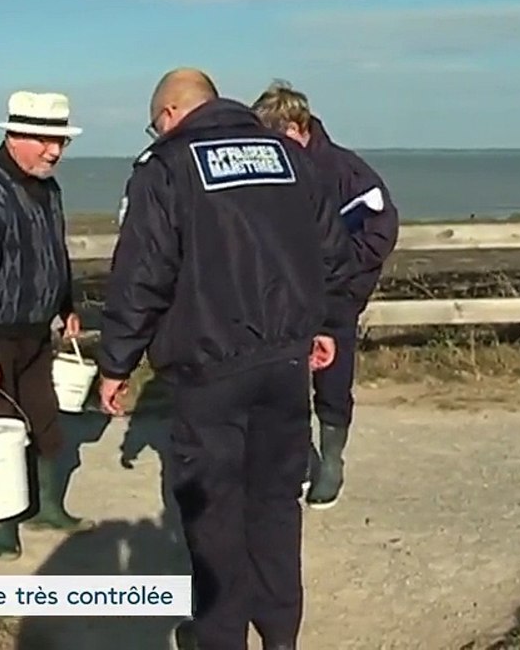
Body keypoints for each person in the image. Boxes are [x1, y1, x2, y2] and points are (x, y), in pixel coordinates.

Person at [95, 68, 358, 650]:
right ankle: (280, 635)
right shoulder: (290, 157)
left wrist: (116, 363)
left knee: (213, 515)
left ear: (169, 115)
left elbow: (142, 276)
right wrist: (326, 325)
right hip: (285, 366)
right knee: (276, 506)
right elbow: (333, 254)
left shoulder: (166, 167)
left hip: (209, 369)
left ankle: (220, 638)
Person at [0, 90, 95, 561]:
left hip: (34, 332)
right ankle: (2, 527)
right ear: (13, 136)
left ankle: (46, 508)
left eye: (61, 142)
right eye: (44, 141)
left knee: (44, 420)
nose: (55, 152)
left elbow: (54, 253)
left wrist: (65, 305)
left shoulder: (48, 189)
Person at [250, 80, 399, 509]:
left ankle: (331, 460)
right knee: (284, 380)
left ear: (296, 128)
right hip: (281, 299)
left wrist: (341, 274)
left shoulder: (347, 172)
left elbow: (380, 230)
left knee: (333, 381)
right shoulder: (268, 170)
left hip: (336, 298)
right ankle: (294, 459)